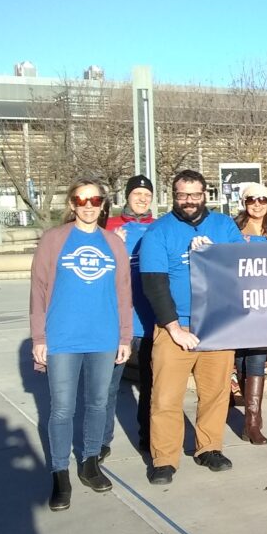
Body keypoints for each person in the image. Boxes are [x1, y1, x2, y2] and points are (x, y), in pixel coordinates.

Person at [30, 178, 132, 510]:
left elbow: (123, 294)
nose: (88, 205)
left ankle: (90, 461)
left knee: (98, 403)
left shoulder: (113, 244)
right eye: (81, 199)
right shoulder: (54, 240)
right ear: (72, 204)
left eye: (95, 200)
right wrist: (39, 338)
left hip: (103, 336)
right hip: (63, 337)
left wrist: (125, 337)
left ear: (104, 204)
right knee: (61, 409)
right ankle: (60, 473)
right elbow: (39, 292)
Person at [139, 169, 243, 485]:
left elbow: (244, 265)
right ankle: (164, 458)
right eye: (182, 195)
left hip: (215, 325)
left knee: (215, 393)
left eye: (195, 194)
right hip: (176, 327)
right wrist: (173, 328)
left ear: (204, 194)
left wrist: (214, 253)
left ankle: (209, 447)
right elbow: (154, 284)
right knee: (166, 398)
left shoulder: (224, 226)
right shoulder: (159, 232)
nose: (189, 201)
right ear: (174, 195)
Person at [231, 182, 267, 445]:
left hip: (265, 301)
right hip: (237, 299)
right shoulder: (232, 228)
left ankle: (252, 420)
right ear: (244, 202)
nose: (257, 204)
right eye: (252, 199)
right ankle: (250, 412)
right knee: (241, 357)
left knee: (256, 355)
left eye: (262, 199)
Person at [103, 174, 155, 456]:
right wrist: (110, 244)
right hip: (117, 322)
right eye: (137, 194)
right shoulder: (109, 228)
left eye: (147, 195)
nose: (142, 199)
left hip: (148, 321)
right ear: (127, 196)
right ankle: (101, 440)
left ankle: (147, 435)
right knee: (108, 386)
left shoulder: (159, 228)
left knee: (150, 385)